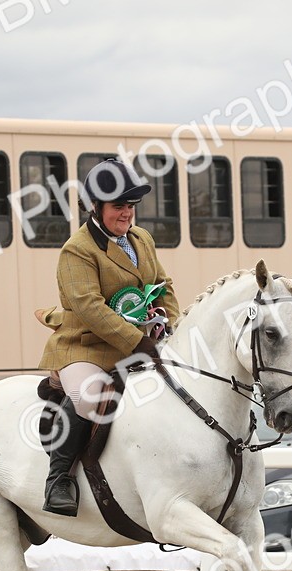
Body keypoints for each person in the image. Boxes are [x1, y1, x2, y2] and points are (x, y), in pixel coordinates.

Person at [35, 158, 181, 517]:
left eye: (130, 206)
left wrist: (171, 323)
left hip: (139, 341)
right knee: (88, 397)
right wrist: (138, 342)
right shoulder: (77, 249)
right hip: (87, 346)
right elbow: (90, 309)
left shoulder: (142, 239)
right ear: (96, 207)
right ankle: (59, 480)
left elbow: (163, 285)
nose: (127, 214)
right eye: (119, 206)